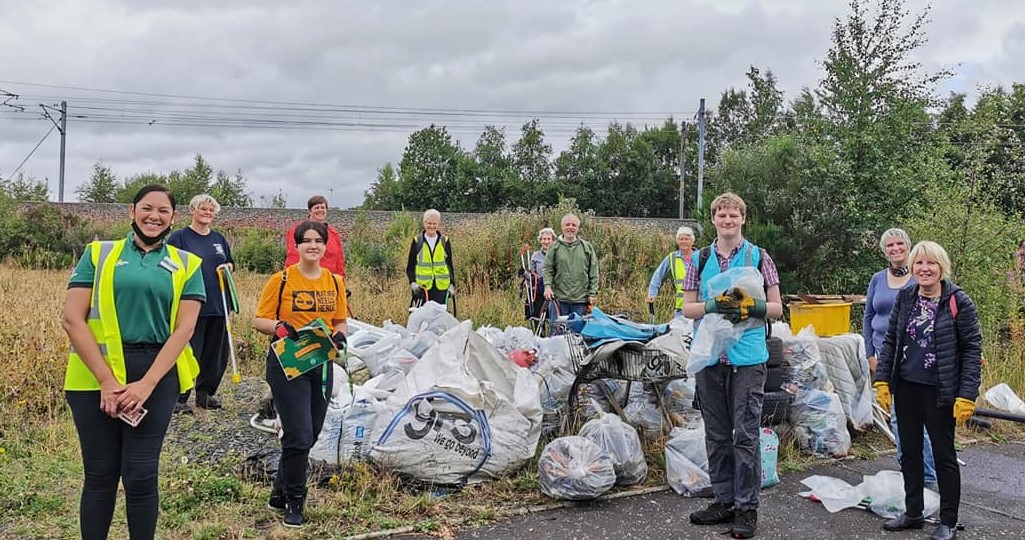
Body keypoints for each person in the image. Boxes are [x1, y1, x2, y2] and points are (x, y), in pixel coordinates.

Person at [62, 184, 204, 540]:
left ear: (173, 218)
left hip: (155, 373)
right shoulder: (98, 254)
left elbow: (184, 329)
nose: (154, 216)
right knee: (100, 473)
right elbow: (72, 319)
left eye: (163, 211)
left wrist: (147, 384)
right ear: (132, 211)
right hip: (94, 374)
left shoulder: (187, 264)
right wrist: (108, 381)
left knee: (141, 474)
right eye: (147, 208)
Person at [681, 192, 783, 539]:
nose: (728, 220)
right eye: (722, 215)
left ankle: (746, 508)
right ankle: (723, 500)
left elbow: (777, 308)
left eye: (734, 215)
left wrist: (751, 308)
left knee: (745, 435)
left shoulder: (759, 256)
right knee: (717, 434)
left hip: (748, 358)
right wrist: (713, 305)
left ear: (743, 219)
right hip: (712, 357)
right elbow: (688, 308)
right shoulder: (700, 257)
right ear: (713, 219)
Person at [873, 241, 981, 540]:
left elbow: (972, 349)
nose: (924, 269)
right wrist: (882, 380)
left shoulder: (959, 300)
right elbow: (892, 340)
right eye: (919, 263)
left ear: (941, 267)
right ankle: (913, 513)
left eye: (931, 263)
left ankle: (947, 521)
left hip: (940, 391)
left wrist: (966, 395)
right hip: (906, 387)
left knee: (943, 455)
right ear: (913, 267)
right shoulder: (906, 296)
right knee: (909, 453)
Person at [255, 220, 348, 528]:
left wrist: (340, 335)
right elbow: (260, 320)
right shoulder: (281, 280)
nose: (312, 245)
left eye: (318, 241)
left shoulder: (334, 282)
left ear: (325, 246)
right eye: (306, 240)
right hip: (288, 363)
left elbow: (340, 321)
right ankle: (295, 501)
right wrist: (279, 327)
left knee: (312, 433)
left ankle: (278, 494)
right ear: (296, 246)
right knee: (298, 434)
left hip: (320, 363)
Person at [863, 228, 937, 488]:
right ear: (885, 251)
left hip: (912, 357)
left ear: (908, 247)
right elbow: (869, 317)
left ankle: (926, 476)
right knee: (896, 417)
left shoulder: (918, 279)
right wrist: (869, 352)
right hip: (884, 355)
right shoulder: (877, 280)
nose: (895, 249)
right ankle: (911, 471)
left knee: (913, 418)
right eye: (890, 245)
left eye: (900, 244)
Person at [167, 194, 234, 413]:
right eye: (202, 209)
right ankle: (179, 396)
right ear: (193, 211)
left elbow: (229, 262)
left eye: (210, 210)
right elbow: (169, 266)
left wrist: (229, 268)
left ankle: (205, 394)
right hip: (190, 304)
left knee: (215, 353)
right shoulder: (180, 238)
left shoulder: (219, 239)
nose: (207, 213)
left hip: (218, 303)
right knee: (188, 351)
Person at [542, 213, 599, 324]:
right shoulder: (554, 247)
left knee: (576, 334)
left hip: (580, 300)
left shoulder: (587, 247)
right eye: (567, 225)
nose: (570, 228)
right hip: (558, 299)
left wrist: (593, 293)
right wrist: (547, 286)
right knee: (558, 331)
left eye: (574, 225)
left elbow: (594, 272)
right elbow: (547, 269)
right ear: (562, 227)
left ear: (578, 228)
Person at [285, 195, 346, 278]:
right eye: (316, 208)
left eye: (323, 208)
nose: (320, 210)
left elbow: (339, 260)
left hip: (328, 281)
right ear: (310, 211)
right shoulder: (297, 230)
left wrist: (340, 281)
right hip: (304, 279)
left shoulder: (334, 234)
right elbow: (293, 256)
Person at [405, 208, 455, 306]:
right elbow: (410, 266)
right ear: (424, 223)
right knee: (423, 318)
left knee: (439, 318)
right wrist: (413, 283)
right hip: (422, 289)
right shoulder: (417, 242)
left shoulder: (445, 241)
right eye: (429, 223)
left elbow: (449, 265)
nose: (432, 226)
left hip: (441, 288)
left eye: (434, 223)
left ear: (438, 224)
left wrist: (452, 284)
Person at [646, 225, 696, 317]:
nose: (683, 241)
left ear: (692, 241)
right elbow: (658, 275)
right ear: (677, 241)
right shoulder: (672, 258)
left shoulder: (700, 256)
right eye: (681, 239)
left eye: (686, 239)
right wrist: (652, 293)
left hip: (697, 306)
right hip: (681, 308)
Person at [520, 227, 555, 325]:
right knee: (537, 316)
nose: (546, 241)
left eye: (549, 239)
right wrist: (524, 273)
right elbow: (532, 277)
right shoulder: (535, 255)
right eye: (544, 239)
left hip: (553, 290)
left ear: (553, 241)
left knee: (554, 316)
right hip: (539, 290)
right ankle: (540, 336)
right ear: (540, 240)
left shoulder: (557, 254)